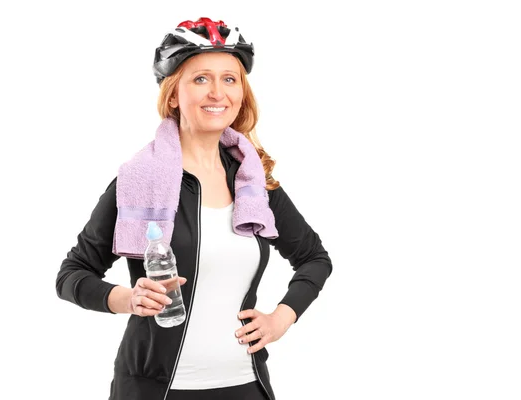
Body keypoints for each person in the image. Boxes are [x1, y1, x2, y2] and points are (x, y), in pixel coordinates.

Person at [56, 17, 332, 400]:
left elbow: (315, 258)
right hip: (156, 390)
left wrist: (280, 318)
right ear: (173, 95)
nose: (217, 93)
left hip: (245, 386)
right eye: (201, 79)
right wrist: (127, 299)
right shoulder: (138, 181)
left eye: (229, 79)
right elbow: (72, 275)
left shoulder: (254, 182)